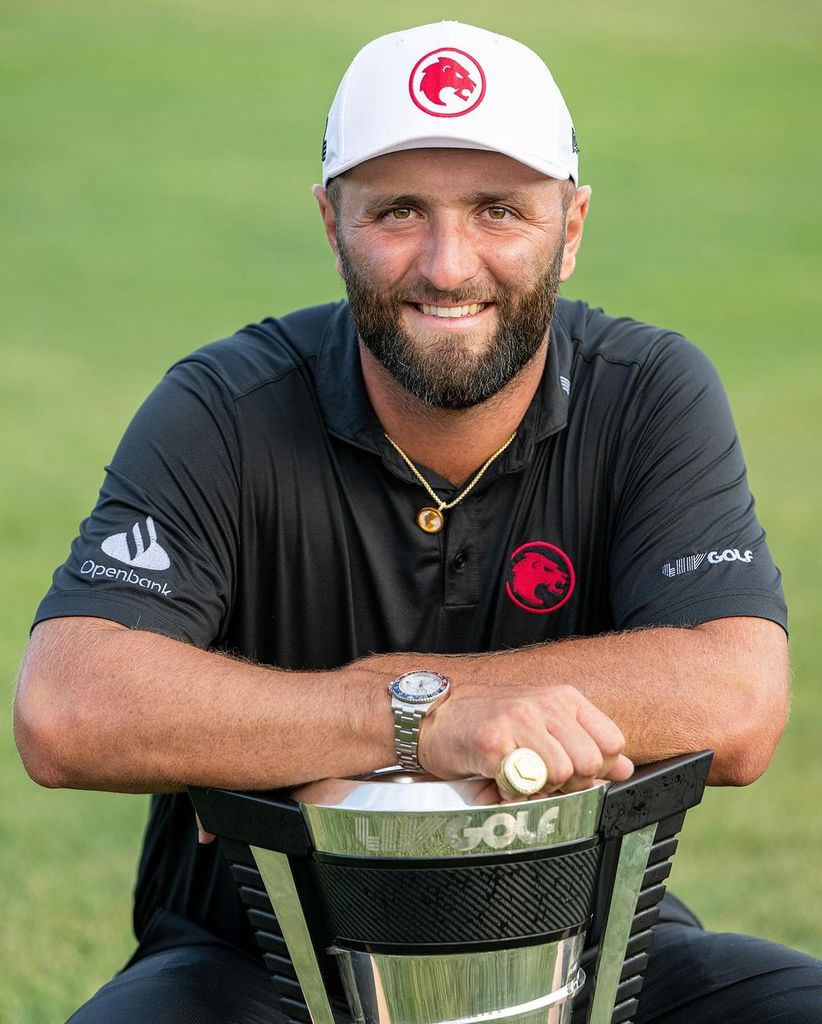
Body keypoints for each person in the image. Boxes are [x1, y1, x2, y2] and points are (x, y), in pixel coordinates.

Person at [13, 19, 821, 1024]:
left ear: (570, 226)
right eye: (397, 211)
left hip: (590, 953)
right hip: (262, 962)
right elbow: (69, 705)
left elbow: (737, 696)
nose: (447, 264)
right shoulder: (221, 408)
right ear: (330, 222)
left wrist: (336, 715)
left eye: (498, 211)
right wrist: (419, 721)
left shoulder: (648, 392)